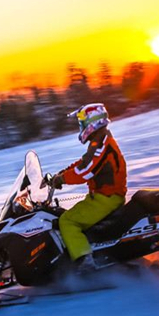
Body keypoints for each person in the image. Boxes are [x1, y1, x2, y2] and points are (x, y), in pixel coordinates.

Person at [50, 103, 127, 273]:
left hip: (106, 198)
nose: (81, 127)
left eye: (83, 123)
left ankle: (85, 263)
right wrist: (61, 173)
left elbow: (85, 171)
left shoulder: (101, 146)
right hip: (103, 196)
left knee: (67, 221)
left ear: (93, 123)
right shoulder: (100, 141)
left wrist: (62, 179)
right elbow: (83, 163)